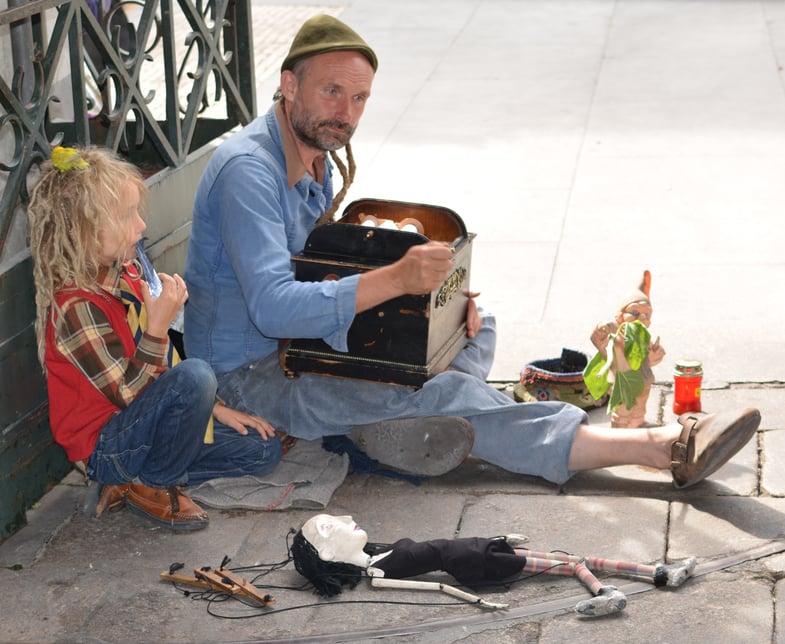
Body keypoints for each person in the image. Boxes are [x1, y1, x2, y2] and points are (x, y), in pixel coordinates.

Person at [183, 13, 760, 489]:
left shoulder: (311, 151)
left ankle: (400, 422)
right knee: (451, 388)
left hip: (307, 349)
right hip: (252, 377)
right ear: (288, 85)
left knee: (469, 326)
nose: (347, 113)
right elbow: (274, 309)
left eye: (360, 98)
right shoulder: (247, 172)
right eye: (332, 92)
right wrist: (398, 281)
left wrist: (429, 302)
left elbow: (328, 267)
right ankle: (663, 449)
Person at [27, 145, 283, 531]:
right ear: (84, 232)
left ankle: (138, 480)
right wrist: (158, 327)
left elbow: (168, 370)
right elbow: (129, 393)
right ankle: (154, 483)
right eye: (127, 217)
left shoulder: (126, 269)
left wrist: (213, 409)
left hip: (147, 427)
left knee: (263, 450)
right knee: (196, 374)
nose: (142, 226)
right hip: (108, 445)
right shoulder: (76, 307)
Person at [290, 514, 697, 616]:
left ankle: (660, 572)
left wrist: (499, 534)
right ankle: (606, 592)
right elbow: (435, 584)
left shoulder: (380, 554)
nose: (346, 520)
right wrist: (477, 602)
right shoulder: (378, 573)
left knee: (573, 560)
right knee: (573, 564)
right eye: (331, 527)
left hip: (477, 549)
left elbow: (441, 546)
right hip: (476, 564)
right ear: (326, 556)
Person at [586, 269, 666, 428]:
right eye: (634, 312)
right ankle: (621, 435)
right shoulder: (617, 334)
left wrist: (655, 354)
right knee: (623, 412)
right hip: (622, 382)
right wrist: (602, 330)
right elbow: (599, 340)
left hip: (643, 382)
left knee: (638, 410)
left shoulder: (643, 338)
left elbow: (649, 359)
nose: (641, 318)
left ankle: (638, 425)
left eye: (647, 315)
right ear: (620, 316)